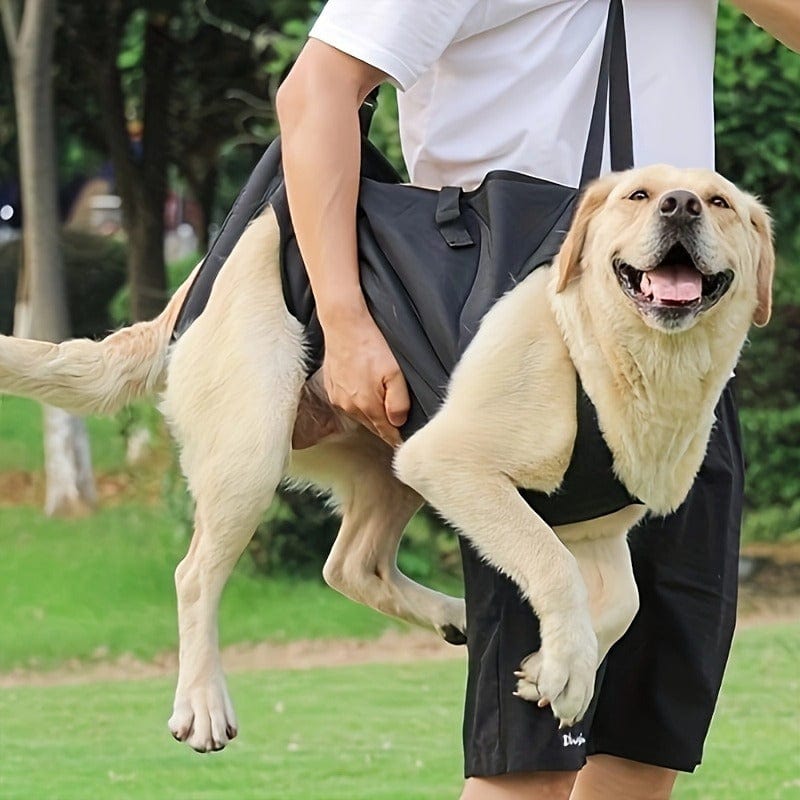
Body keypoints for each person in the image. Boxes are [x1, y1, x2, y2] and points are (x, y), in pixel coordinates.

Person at [275, 2, 800, 798]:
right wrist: (345, 323)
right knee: (529, 762)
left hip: (689, 360)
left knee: (647, 739)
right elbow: (316, 90)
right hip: (523, 342)